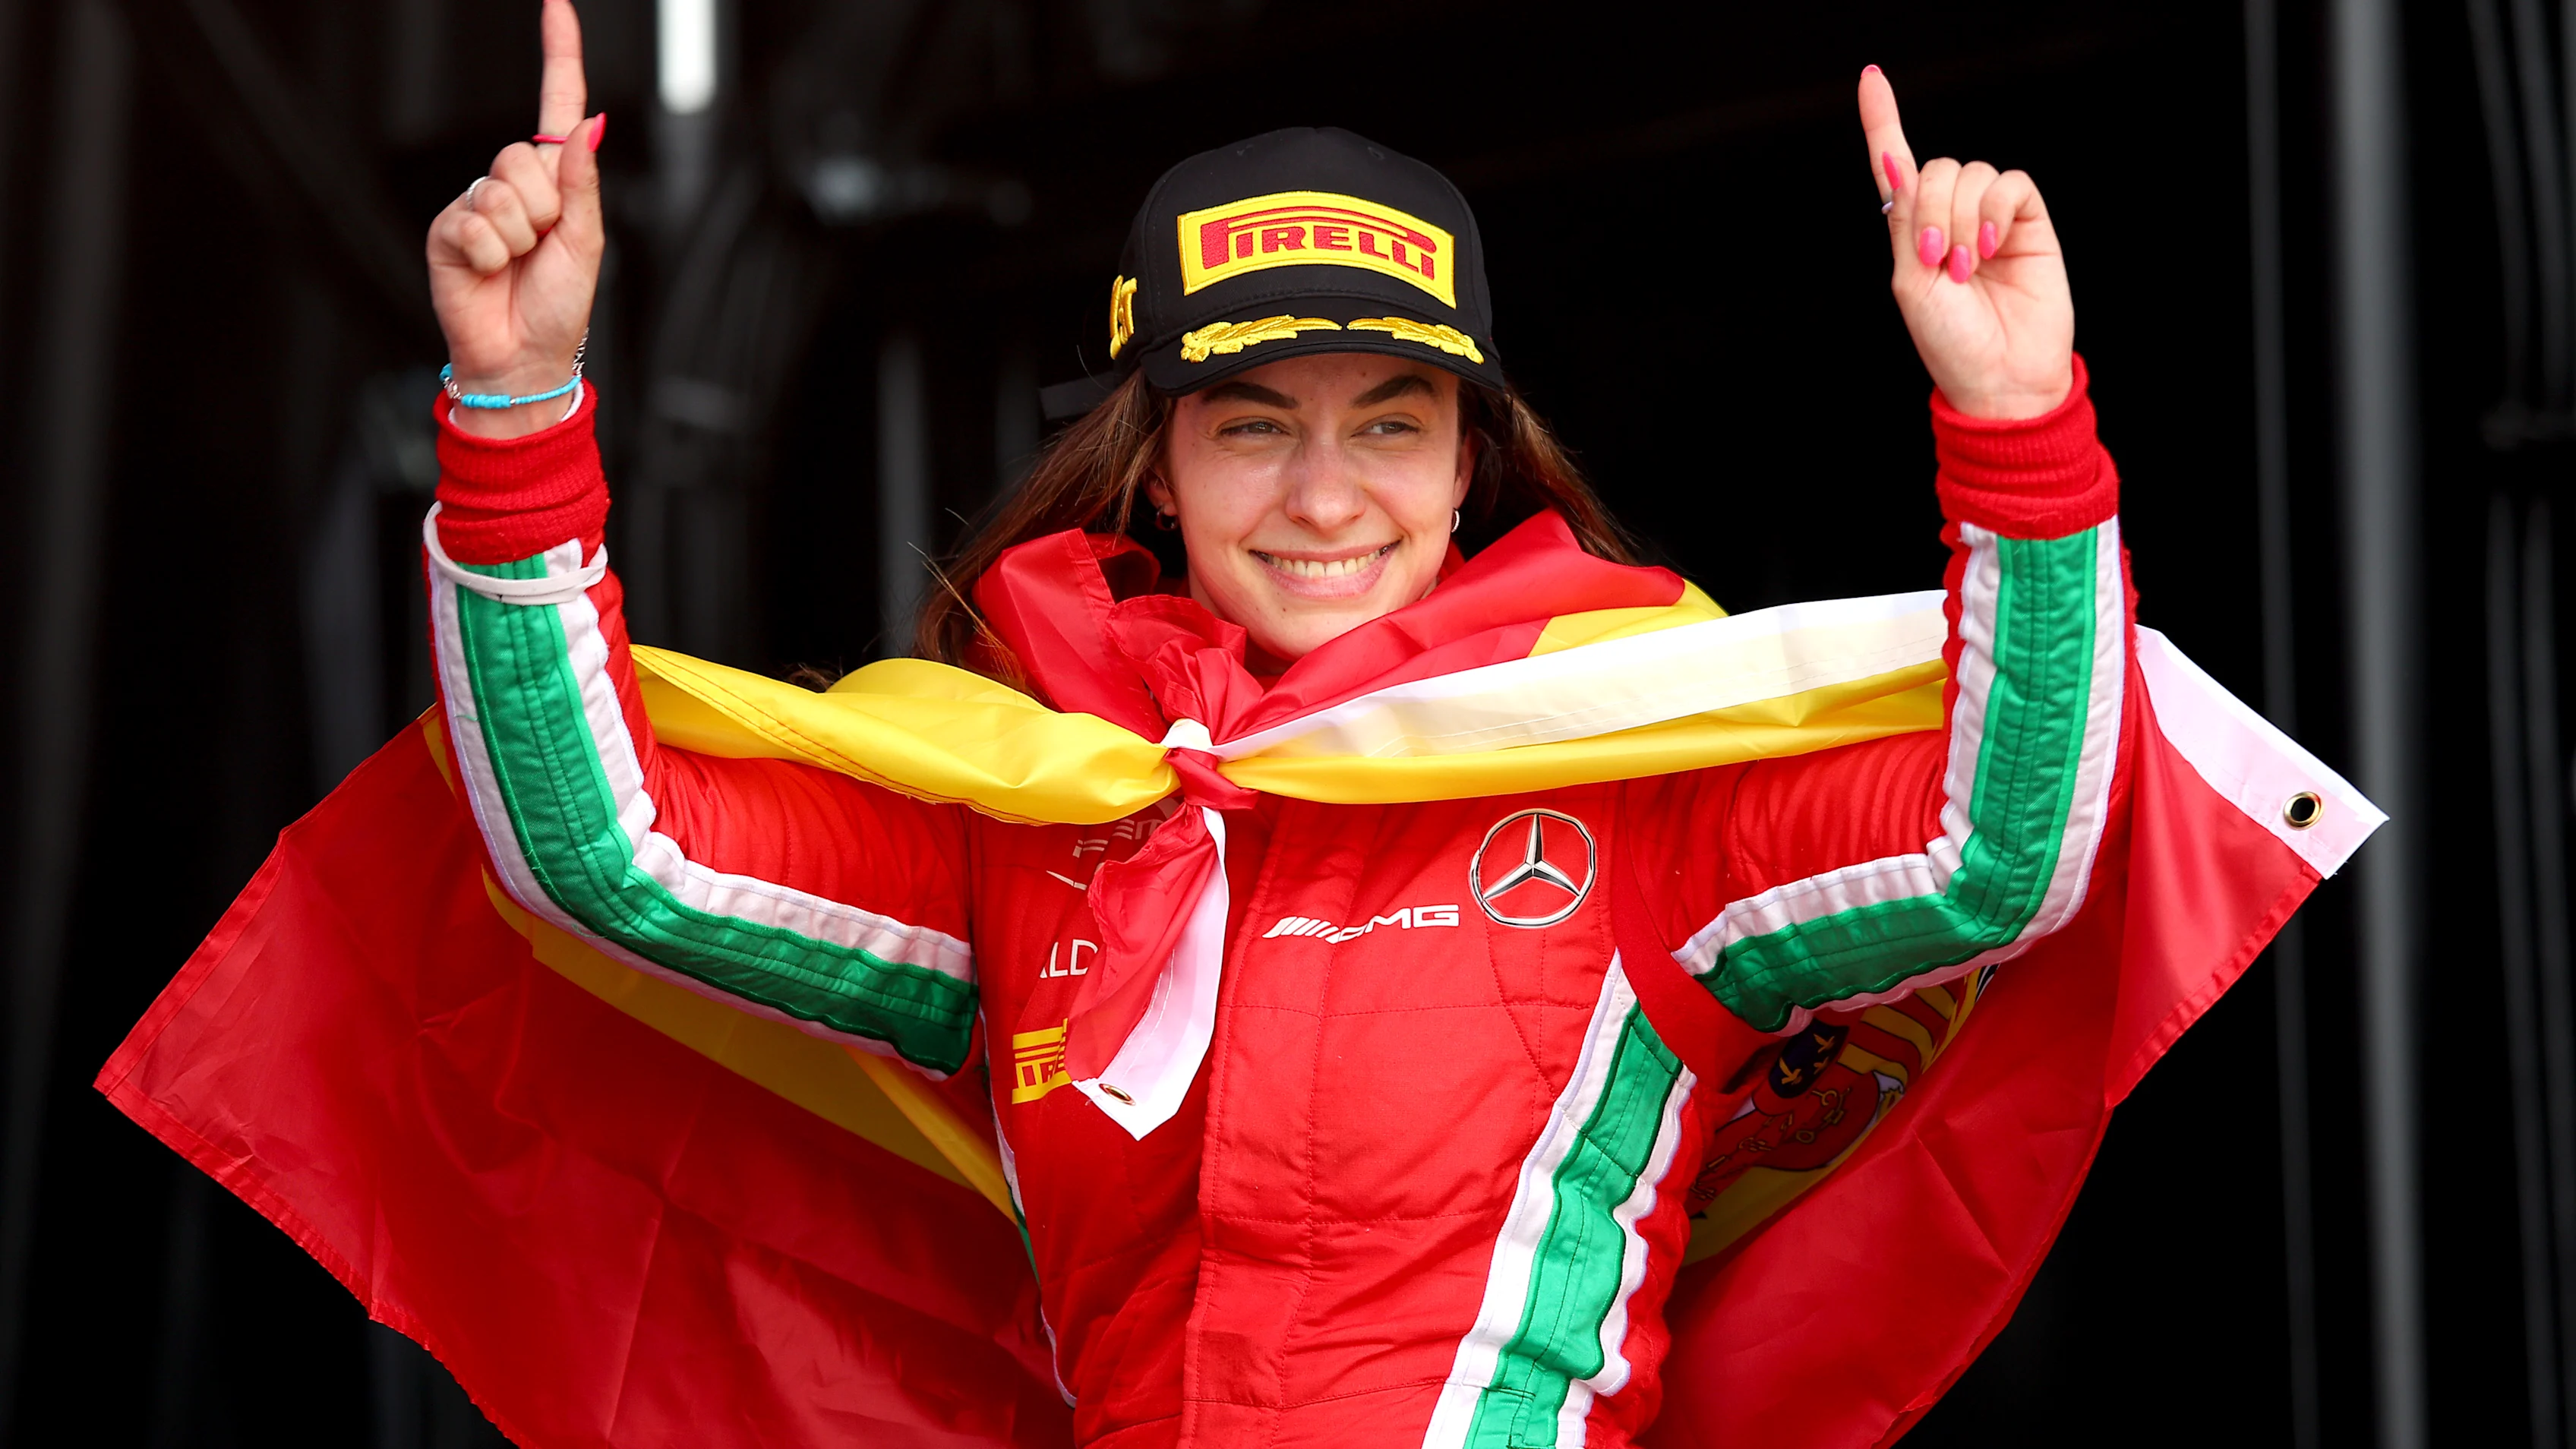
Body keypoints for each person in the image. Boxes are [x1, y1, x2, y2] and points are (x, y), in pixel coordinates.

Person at [411, 4, 2137, 1446]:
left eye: (1389, 426)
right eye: (1251, 426)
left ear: (1470, 465)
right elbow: (611, 855)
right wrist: (514, 405)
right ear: (1155, 467)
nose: (1326, 495)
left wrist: (2014, 419)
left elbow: (1997, 860)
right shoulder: (1033, 811)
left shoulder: (1634, 783)